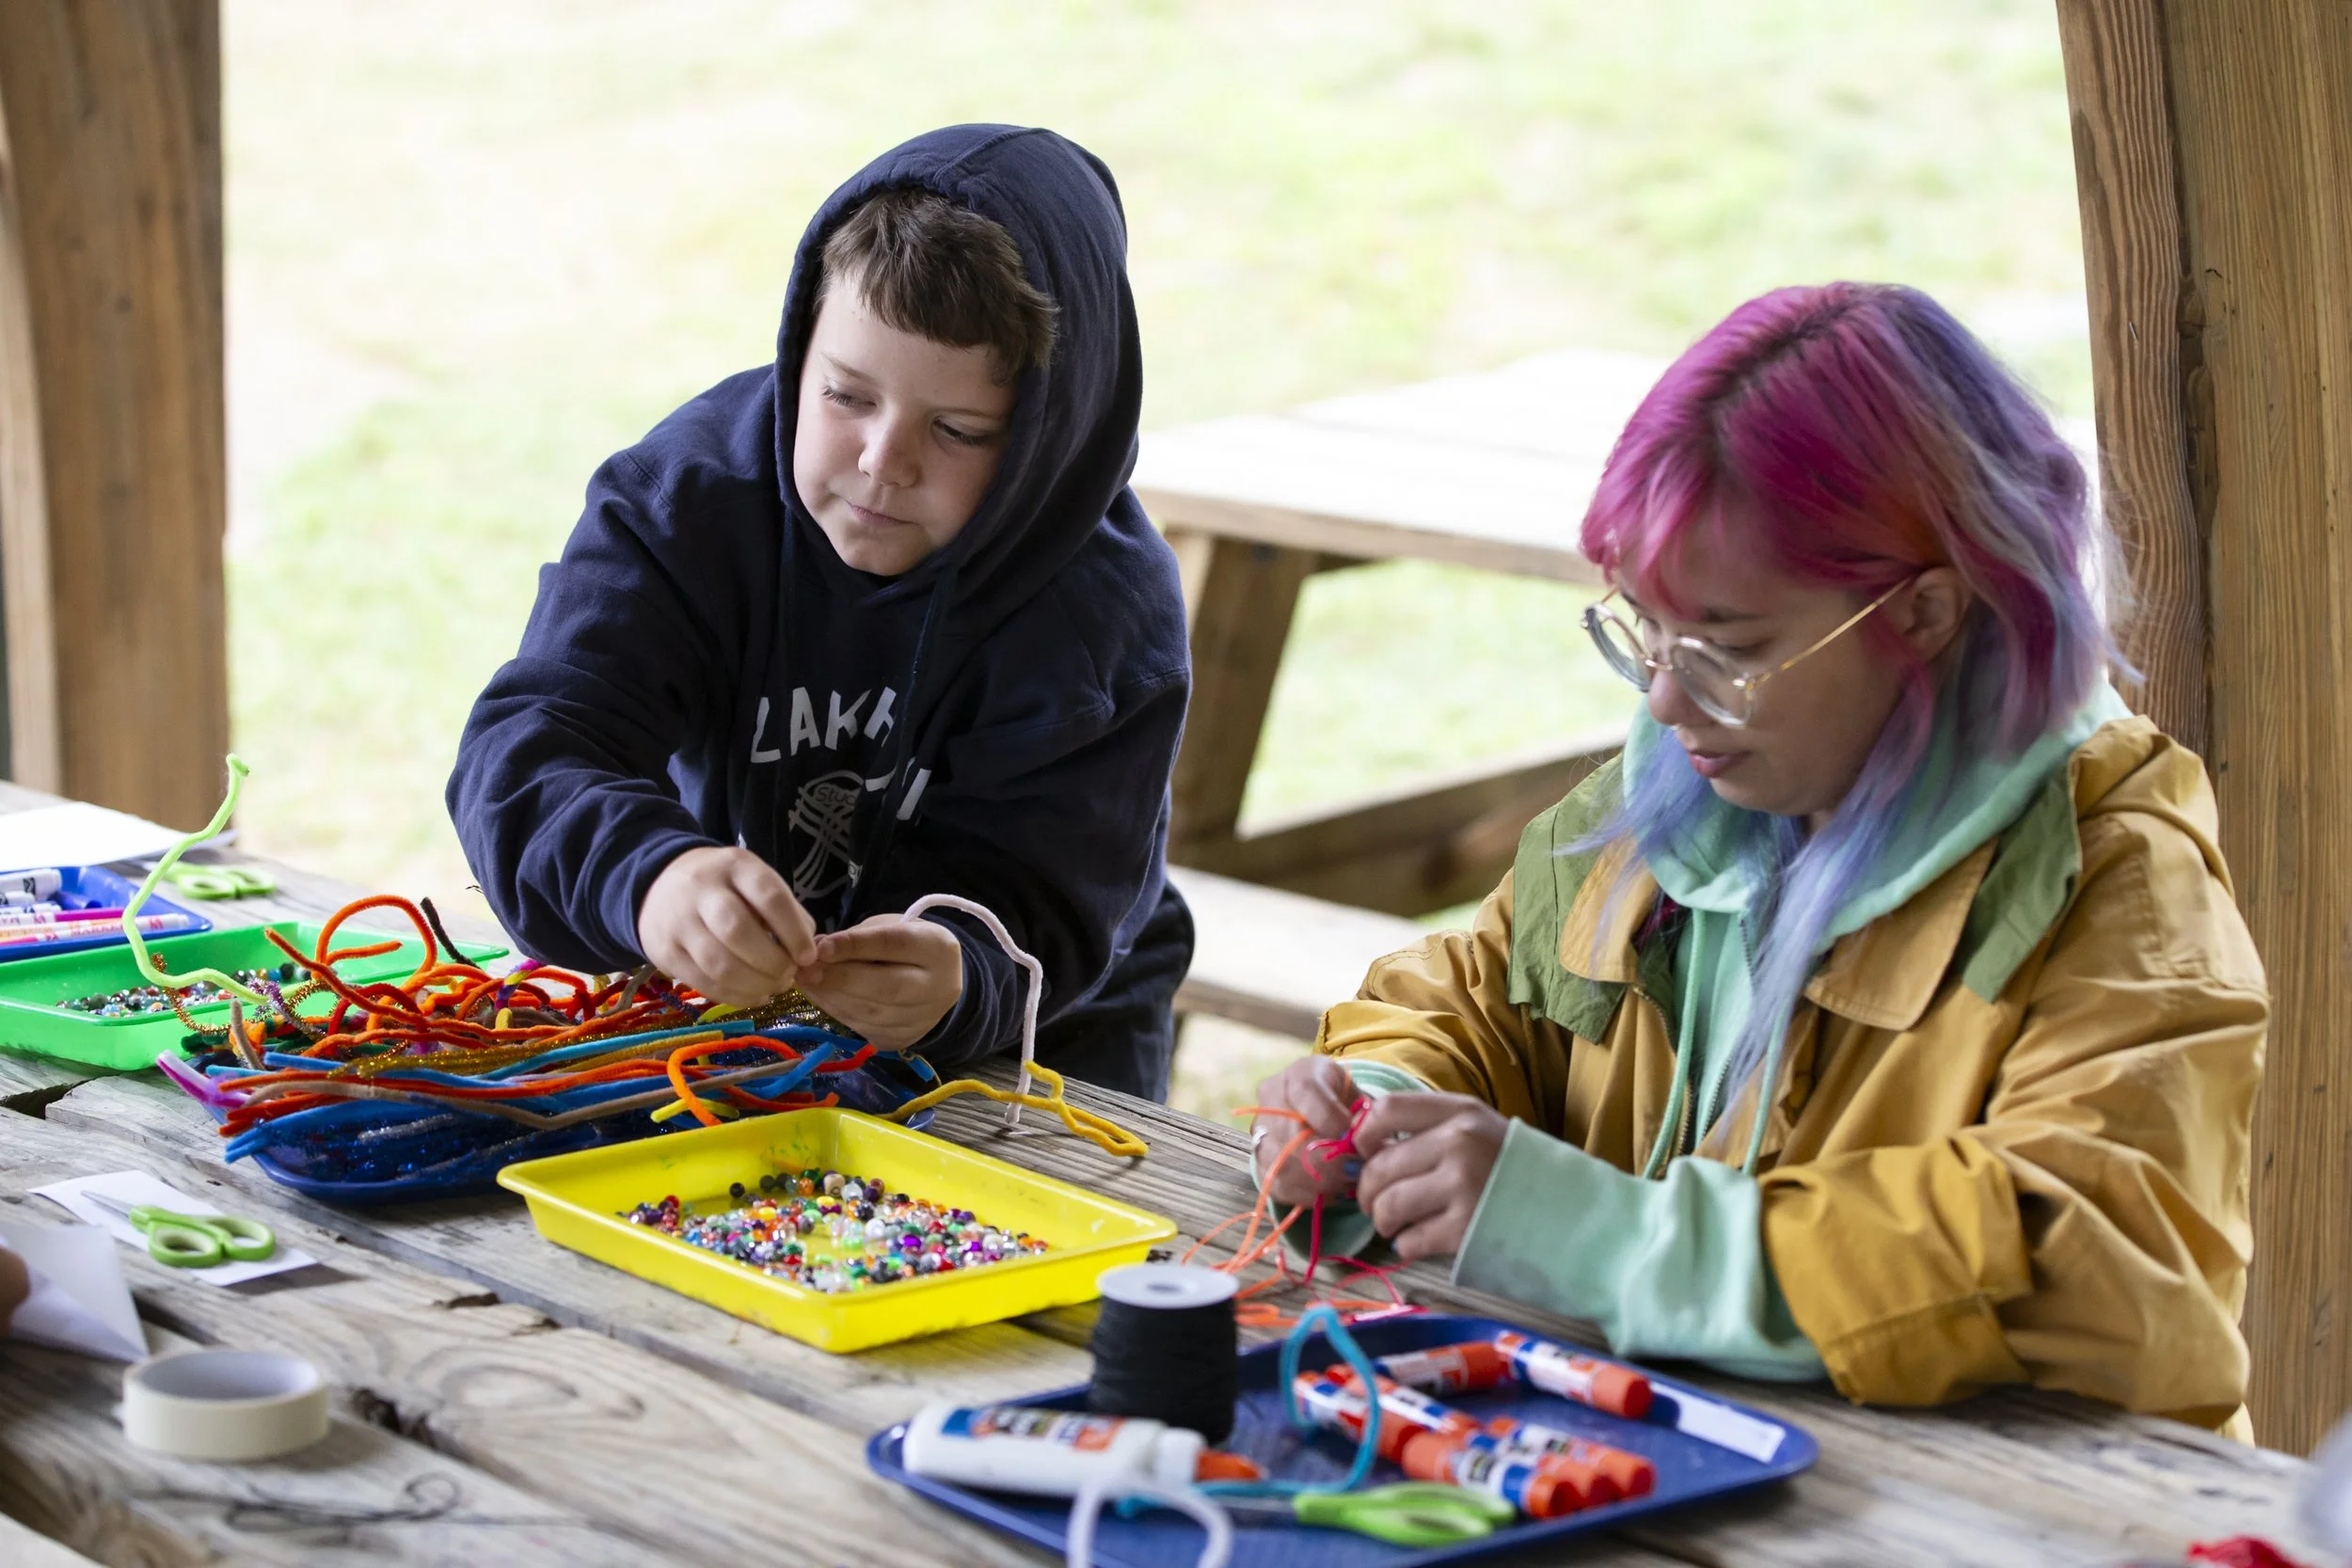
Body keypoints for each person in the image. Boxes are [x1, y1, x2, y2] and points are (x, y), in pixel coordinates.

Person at [1252, 282, 2267, 1435]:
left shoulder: (2115, 875)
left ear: (1925, 612)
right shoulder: (1676, 802)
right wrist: (1376, 1107)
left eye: (1728, 646)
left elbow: (2093, 1258)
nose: (1668, 698)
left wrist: (1606, 1239)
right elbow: (1470, 998)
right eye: (1641, 630)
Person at [449, 126, 1192, 1099]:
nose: (884, 461)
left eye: (959, 429)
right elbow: (531, 745)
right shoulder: (690, 499)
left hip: (1039, 1055)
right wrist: (650, 878)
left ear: (1052, 435)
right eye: (845, 394)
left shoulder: (1104, 616)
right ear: (801, 345)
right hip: (740, 1018)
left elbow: (1052, 898)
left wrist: (962, 975)